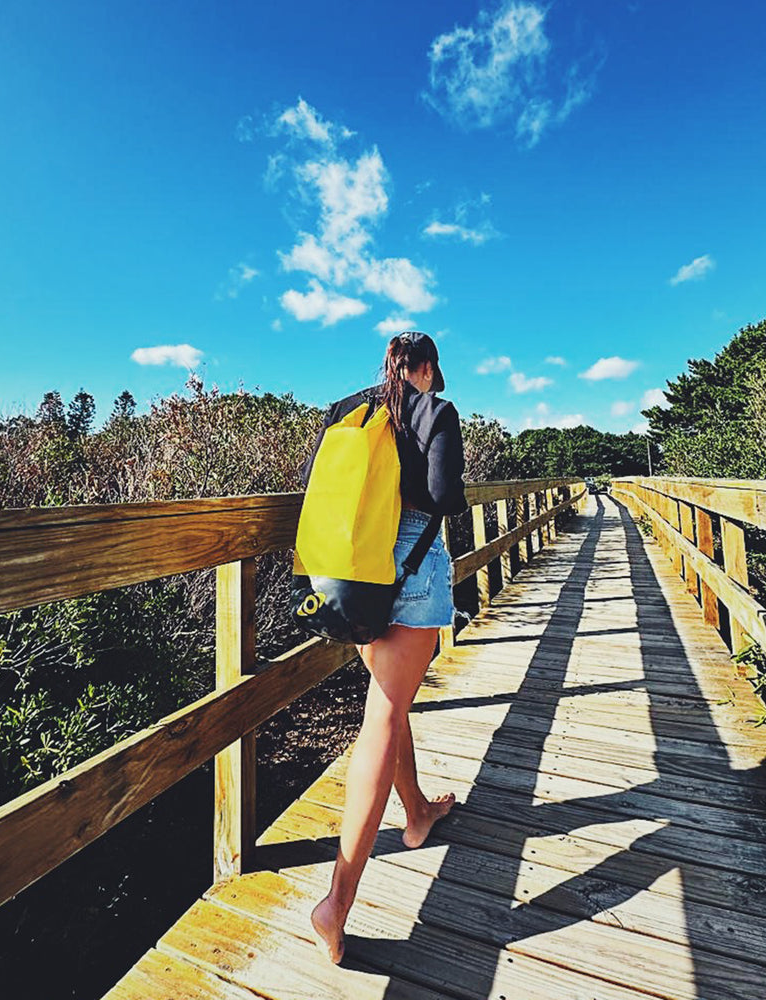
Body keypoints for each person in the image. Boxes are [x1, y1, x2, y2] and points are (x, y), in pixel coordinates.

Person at [303, 331, 468, 964]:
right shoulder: (435, 411)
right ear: (424, 367)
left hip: (350, 571)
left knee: (388, 701)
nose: (432, 383)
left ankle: (417, 811)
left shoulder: (347, 409)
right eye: (433, 374)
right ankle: (336, 902)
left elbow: (319, 487)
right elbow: (445, 496)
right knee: (383, 715)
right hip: (412, 566)